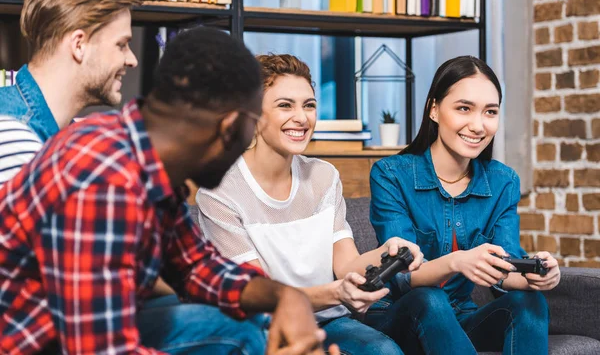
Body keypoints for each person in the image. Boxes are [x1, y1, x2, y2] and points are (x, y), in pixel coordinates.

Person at [0, 28, 336, 355]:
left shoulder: (144, 156)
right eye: (251, 134)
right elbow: (104, 350)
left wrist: (287, 298)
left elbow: (196, 266)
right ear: (229, 128)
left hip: (77, 335)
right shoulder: (105, 182)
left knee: (239, 329)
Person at [196, 54, 424, 355]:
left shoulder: (323, 176)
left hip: (329, 320)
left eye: (309, 105)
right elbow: (260, 297)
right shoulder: (220, 190)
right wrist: (334, 293)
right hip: (266, 329)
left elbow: (346, 265)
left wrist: (387, 251)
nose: (302, 118)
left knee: (385, 352)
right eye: (285, 105)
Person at [367, 55, 559, 354]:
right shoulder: (391, 174)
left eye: (490, 112)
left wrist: (536, 276)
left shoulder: (503, 182)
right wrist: (458, 261)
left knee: (530, 301)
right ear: (434, 109)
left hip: (461, 317)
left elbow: (505, 266)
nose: (478, 125)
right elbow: (402, 275)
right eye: (464, 109)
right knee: (430, 298)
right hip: (400, 315)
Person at [0, 0, 140, 185]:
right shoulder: (15, 142)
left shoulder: (64, 134)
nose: (132, 60)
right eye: (121, 45)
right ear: (79, 45)